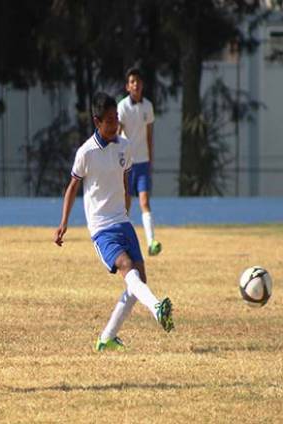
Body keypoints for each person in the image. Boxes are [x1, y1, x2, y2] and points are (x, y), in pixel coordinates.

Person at [54, 92, 174, 352]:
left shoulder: (124, 146)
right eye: (109, 120)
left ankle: (107, 337)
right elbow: (72, 187)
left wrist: (127, 203)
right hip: (101, 228)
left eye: (116, 119)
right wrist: (64, 222)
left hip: (123, 222)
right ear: (97, 121)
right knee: (126, 268)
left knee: (138, 280)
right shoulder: (85, 152)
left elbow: (126, 178)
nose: (114, 124)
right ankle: (156, 308)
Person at [117, 68, 161, 256]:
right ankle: (121, 242)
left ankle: (151, 242)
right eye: (132, 81)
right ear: (128, 86)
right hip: (127, 164)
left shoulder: (148, 107)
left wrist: (151, 160)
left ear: (142, 85)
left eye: (138, 81)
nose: (136, 84)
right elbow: (118, 134)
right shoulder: (122, 107)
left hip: (143, 163)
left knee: (144, 201)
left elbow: (149, 135)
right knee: (126, 205)